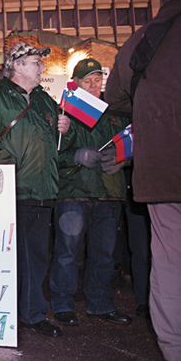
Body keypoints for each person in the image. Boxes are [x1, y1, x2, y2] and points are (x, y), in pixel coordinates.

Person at [105, 0, 181, 361]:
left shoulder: (140, 40)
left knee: (169, 260)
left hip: (162, 166)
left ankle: (173, 353)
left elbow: (114, 98)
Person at [0, 42, 71, 338]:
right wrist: (10, 167)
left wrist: (66, 128)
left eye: (41, 62)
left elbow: (58, 145)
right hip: (9, 190)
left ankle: (31, 313)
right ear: (17, 65)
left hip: (42, 190)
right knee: (7, 259)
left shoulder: (45, 100)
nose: (42, 67)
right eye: (36, 62)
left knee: (37, 256)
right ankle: (3, 313)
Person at [49, 58, 132, 328]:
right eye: (88, 80)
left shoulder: (115, 111)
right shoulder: (64, 112)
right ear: (77, 84)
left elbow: (127, 144)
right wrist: (75, 156)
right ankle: (63, 304)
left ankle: (100, 304)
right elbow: (50, 155)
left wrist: (123, 161)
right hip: (73, 193)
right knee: (67, 253)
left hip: (108, 193)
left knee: (105, 254)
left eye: (98, 79)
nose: (94, 84)